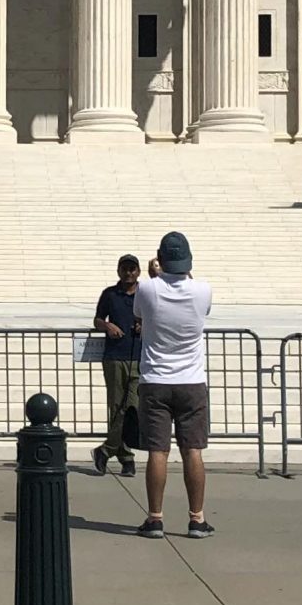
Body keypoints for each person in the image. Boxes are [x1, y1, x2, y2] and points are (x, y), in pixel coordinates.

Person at [131, 230, 214, 539]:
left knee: (158, 451)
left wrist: (157, 270)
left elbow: (139, 313)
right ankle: (197, 518)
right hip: (191, 380)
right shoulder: (203, 290)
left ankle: (155, 518)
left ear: (160, 258)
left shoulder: (147, 289)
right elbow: (201, 306)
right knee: (193, 450)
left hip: (155, 379)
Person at [91, 255, 144, 477]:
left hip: (139, 357)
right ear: (118, 271)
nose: (129, 273)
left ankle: (105, 450)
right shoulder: (110, 294)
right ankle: (126, 457)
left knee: (131, 407)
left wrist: (145, 324)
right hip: (114, 356)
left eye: (132, 269)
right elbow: (97, 319)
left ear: (138, 272)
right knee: (117, 405)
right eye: (125, 269)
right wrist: (107, 326)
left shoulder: (146, 294)